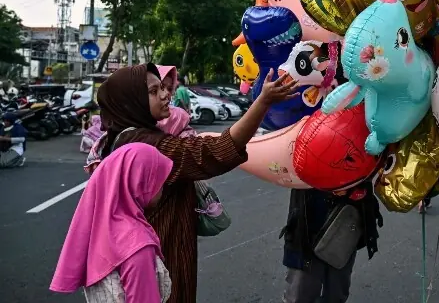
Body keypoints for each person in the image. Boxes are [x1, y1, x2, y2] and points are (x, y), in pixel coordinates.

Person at [94, 63, 298, 303]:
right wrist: (262, 103)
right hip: (157, 259)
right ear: (131, 101)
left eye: (163, 87)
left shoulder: (124, 137)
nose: (165, 94)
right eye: (153, 91)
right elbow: (212, 152)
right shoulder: (147, 146)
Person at [51, 144, 173, 302]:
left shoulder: (101, 229)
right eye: (158, 181)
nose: (162, 189)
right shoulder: (137, 246)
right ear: (139, 183)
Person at [282, 183, 382, 303]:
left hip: (344, 222)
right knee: (300, 294)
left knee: (336, 293)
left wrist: (353, 187)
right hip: (307, 223)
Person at [156, 66, 195, 138]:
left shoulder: (178, 117)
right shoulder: (136, 124)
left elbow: (181, 100)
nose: (167, 93)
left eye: (170, 89)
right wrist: (187, 109)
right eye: (161, 87)